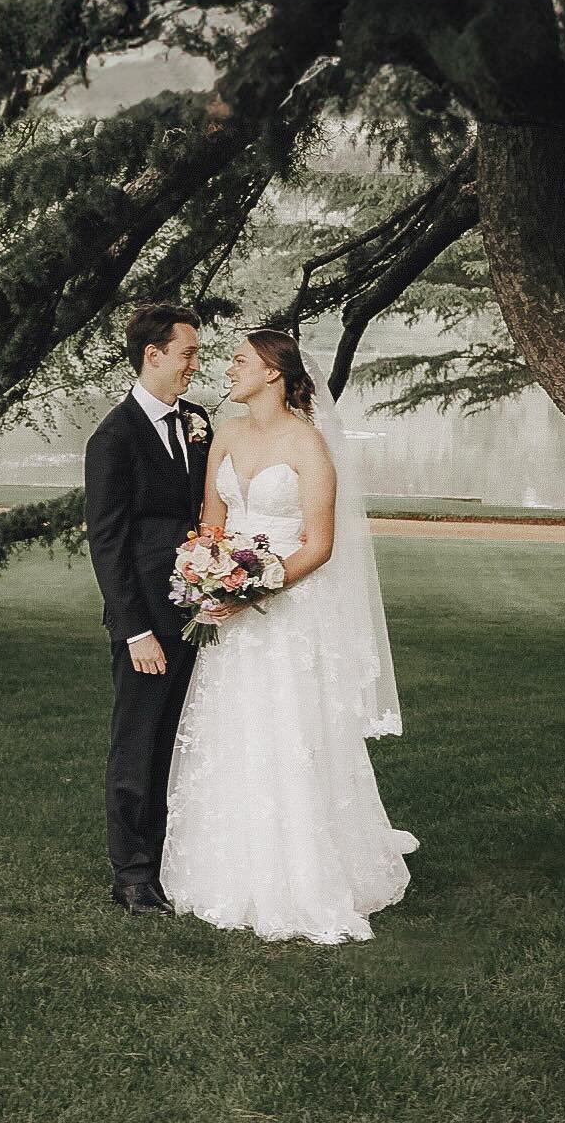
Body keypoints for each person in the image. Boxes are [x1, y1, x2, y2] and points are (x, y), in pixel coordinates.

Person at [159, 329, 417, 943]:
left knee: (289, 730)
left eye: (239, 360)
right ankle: (224, 869)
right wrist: (210, 580)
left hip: (289, 614)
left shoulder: (307, 443)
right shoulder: (224, 434)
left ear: (274, 372)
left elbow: (321, 545)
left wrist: (254, 592)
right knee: (234, 729)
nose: (227, 368)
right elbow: (210, 527)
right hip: (229, 610)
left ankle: (303, 875)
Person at [83, 305, 213, 916]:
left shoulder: (198, 423)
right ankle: (132, 874)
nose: (195, 364)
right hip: (147, 625)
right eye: (187, 353)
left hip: (199, 612)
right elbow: (107, 544)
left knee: (182, 739)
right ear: (153, 355)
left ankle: (175, 859)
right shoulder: (112, 438)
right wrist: (135, 630)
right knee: (138, 742)